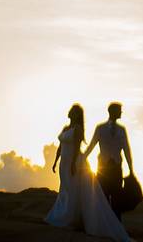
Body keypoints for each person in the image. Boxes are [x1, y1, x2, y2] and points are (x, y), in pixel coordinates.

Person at [45, 104, 131, 242]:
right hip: (65, 164)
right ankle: (66, 215)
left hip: (78, 163)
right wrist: (55, 161)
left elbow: (78, 147)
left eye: (72, 111)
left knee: (74, 190)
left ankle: (75, 219)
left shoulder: (78, 129)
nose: (69, 112)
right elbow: (62, 147)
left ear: (76, 114)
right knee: (65, 189)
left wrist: (75, 163)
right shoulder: (68, 128)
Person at [84, 102, 134, 220]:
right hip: (103, 168)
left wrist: (131, 169)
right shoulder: (100, 128)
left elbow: (127, 150)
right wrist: (82, 158)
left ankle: (116, 223)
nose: (121, 112)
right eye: (119, 110)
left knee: (117, 198)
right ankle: (103, 222)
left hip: (117, 168)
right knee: (103, 197)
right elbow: (91, 145)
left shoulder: (122, 130)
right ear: (112, 111)